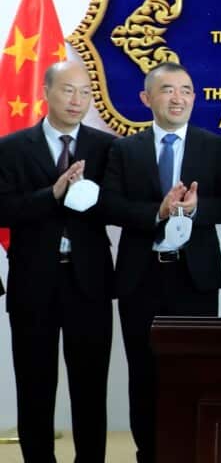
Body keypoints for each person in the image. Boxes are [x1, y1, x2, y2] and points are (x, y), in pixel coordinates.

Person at [100, 62, 221, 463]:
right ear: (147, 98)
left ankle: (196, 449)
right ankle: (149, 452)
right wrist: (157, 212)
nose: (178, 98)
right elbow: (109, 205)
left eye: (186, 90)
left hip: (195, 276)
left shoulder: (212, 145)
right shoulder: (125, 149)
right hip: (140, 276)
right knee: (144, 371)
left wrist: (196, 211)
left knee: (196, 368)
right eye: (167, 90)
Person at [0, 61, 114, 463]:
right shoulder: (11, 148)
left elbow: (115, 207)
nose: (77, 100)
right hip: (33, 282)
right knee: (34, 384)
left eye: (84, 92)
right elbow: (3, 210)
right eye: (68, 90)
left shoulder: (106, 148)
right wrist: (53, 192)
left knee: (90, 385)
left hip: (89, 282)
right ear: (46, 92)